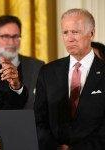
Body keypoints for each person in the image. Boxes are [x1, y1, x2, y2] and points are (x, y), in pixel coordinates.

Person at [34, 8, 105, 150]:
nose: (69, 38)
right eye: (65, 32)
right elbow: (38, 120)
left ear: (91, 33)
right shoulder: (48, 72)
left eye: (75, 32)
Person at [0, 15, 44, 109]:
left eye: (15, 36)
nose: (11, 42)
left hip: (29, 122)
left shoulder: (37, 67)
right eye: (5, 36)